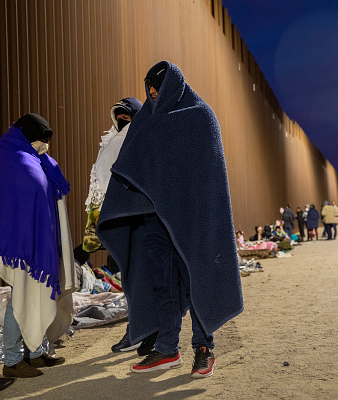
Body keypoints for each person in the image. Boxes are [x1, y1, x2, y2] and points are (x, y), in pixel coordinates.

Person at [97, 61, 243, 379]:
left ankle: (204, 348)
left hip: (192, 217)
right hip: (152, 218)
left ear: (173, 87)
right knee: (162, 284)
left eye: (157, 88)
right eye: (148, 89)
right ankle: (166, 347)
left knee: (197, 279)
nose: (151, 94)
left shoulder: (199, 116)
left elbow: (209, 175)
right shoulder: (146, 122)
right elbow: (130, 166)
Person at [0, 113, 76, 378]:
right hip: (19, 246)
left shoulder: (35, 158)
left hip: (36, 242)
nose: (44, 144)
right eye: (41, 139)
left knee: (38, 294)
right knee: (19, 297)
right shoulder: (13, 157)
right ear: (28, 136)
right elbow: (21, 199)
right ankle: (11, 361)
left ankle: (34, 354)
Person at [82, 97, 144, 354]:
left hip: (139, 220)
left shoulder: (139, 140)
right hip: (118, 221)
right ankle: (141, 330)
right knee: (129, 278)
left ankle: (144, 333)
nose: (122, 121)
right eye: (118, 117)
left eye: (127, 117)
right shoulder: (111, 142)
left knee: (140, 278)